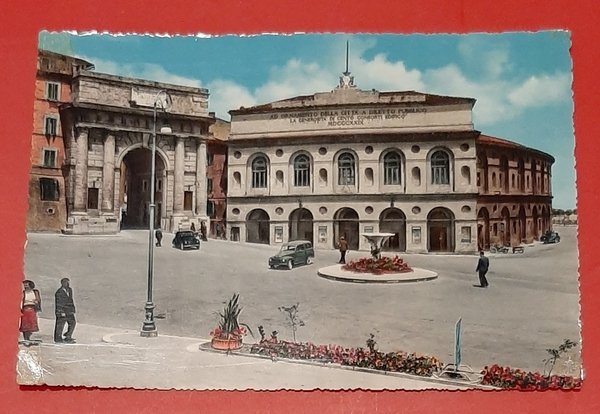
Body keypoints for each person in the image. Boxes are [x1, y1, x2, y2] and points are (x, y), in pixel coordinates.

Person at [54, 277, 76, 343]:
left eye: (68, 282)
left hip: (69, 310)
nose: (67, 284)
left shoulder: (70, 290)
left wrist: (73, 309)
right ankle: (58, 339)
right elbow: (58, 303)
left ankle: (68, 336)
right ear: (62, 283)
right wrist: (61, 311)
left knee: (72, 323)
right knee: (60, 325)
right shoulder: (59, 292)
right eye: (66, 282)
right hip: (61, 311)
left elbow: (71, 300)